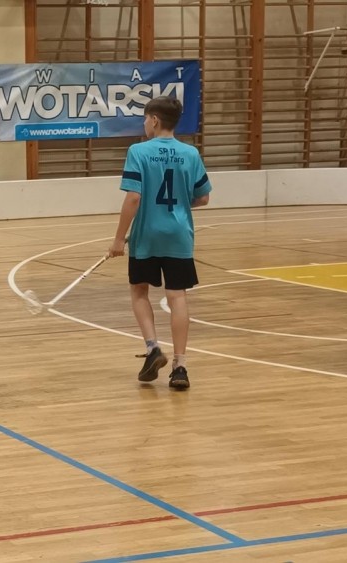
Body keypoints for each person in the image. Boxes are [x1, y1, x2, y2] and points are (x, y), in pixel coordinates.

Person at [108, 96, 212, 390]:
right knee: (177, 296)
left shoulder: (138, 151)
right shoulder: (190, 153)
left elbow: (134, 197)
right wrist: (179, 206)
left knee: (139, 291)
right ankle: (180, 367)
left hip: (147, 235)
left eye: (145, 118)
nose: (144, 123)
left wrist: (118, 239)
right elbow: (203, 197)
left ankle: (153, 347)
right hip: (179, 235)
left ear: (154, 120)